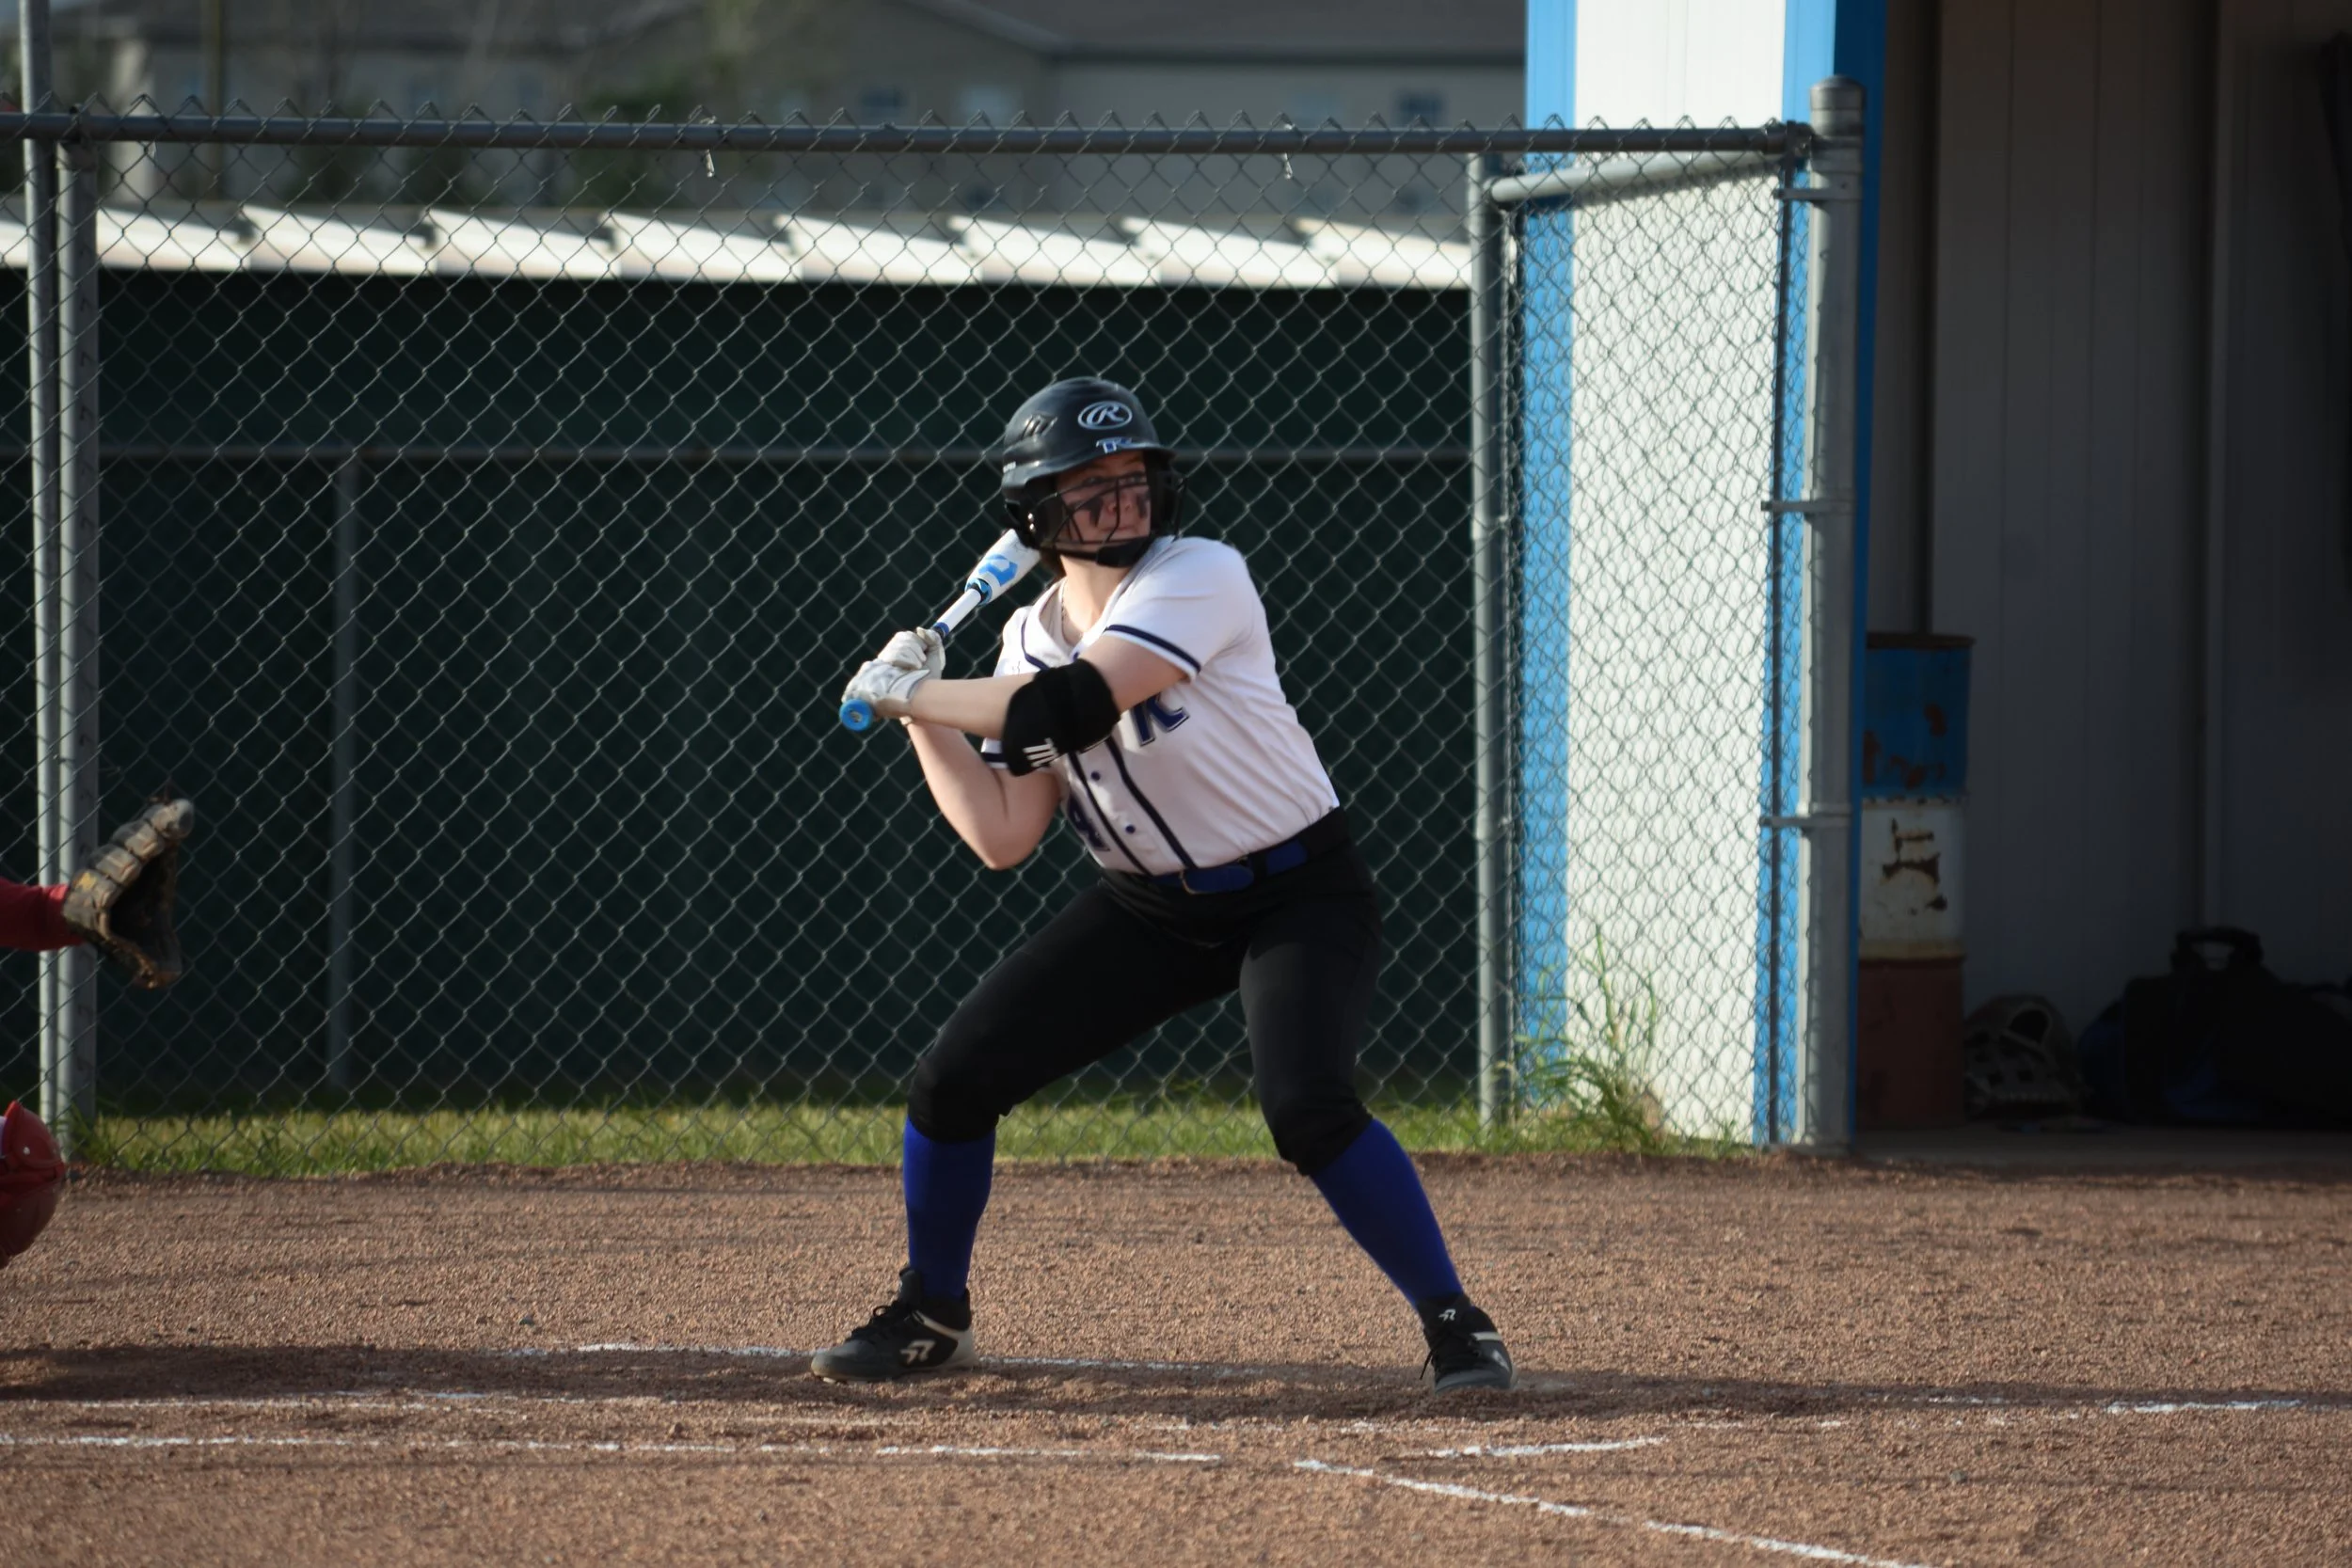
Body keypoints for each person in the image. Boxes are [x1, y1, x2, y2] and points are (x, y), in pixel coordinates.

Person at [825, 377, 1513, 1392]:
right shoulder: (1020, 642)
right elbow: (1003, 833)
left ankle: (1457, 1320)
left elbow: (1073, 701)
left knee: (1305, 1103)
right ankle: (933, 1308)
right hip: (1148, 907)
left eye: (1134, 476)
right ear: (1033, 513)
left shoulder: (1201, 574)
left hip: (1297, 891)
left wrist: (912, 692)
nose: (1122, 498)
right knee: (953, 1081)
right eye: (1090, 485)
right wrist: (922, 718)